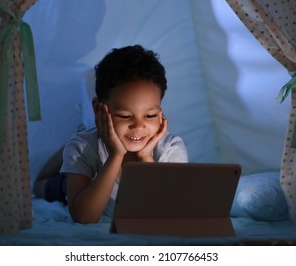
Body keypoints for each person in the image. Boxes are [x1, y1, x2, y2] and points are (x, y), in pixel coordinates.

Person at [33, 45, 188, 223]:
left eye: (150, 115)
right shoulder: (82, 148)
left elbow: (171, 208)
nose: (138, 126)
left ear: (160, 111)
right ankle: (84, 130)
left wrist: (145, 157)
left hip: (100, 144)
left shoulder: (171, 148)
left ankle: (91, 127)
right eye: (125, 116)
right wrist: (116, 155)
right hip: (82, 181)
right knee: (41, 185)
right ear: (98, 109)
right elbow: (84, 217)